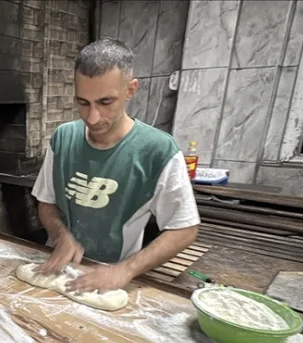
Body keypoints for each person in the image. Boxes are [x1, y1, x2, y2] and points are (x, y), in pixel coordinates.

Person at [32, 38, 200, 293]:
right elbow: (46, 203)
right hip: (57, 269)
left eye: (105, 102)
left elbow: (184, 228)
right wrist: (60, 236)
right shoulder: (63, 138)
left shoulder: (157, 151)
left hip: (109, 277)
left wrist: (125, 270)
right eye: (83, 102)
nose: (92, 117)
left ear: (130, 90)